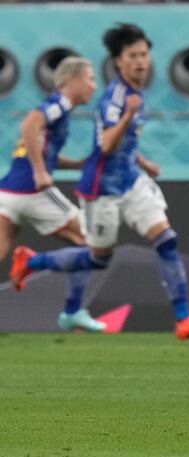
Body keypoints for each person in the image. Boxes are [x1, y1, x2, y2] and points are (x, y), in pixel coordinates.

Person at [10, 23, 189, 340]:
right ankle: (32, 261)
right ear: (118, 62)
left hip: (131, 181)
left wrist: (143, 161)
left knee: (166, 239)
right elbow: (107, 144)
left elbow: (125, 143)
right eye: (133, 56)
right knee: (97, 258)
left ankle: (184, 318)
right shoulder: (116, 98)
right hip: (101, 189)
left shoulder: (137, 94)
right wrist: (127, 117)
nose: (140, 62)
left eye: (144, 54)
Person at [3, 57, 105, 332]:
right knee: (91, 242)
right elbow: (29, 126)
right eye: (90, 78)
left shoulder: (59, 109)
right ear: (71, 80)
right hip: (32, 192)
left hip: (7, 191)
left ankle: (71, 308)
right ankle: (72, 310)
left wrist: (76, 164)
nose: (94, 86)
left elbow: (42, 146)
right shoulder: (59, 103)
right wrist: (39, 171)